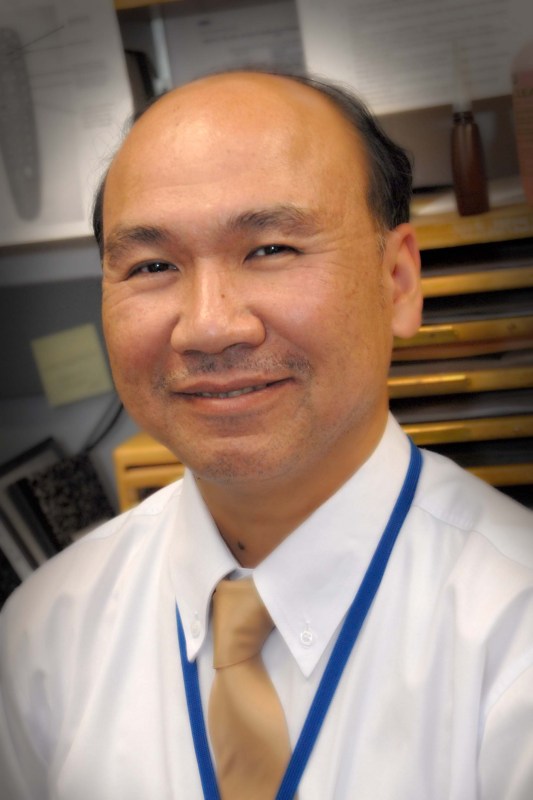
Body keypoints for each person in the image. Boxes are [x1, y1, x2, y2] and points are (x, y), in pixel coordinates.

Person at [1, 69, 532, 800]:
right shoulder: (40, 636)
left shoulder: (514, 632)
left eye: (271, 249)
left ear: (398, 280)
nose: (208, 326)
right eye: (152, 265)